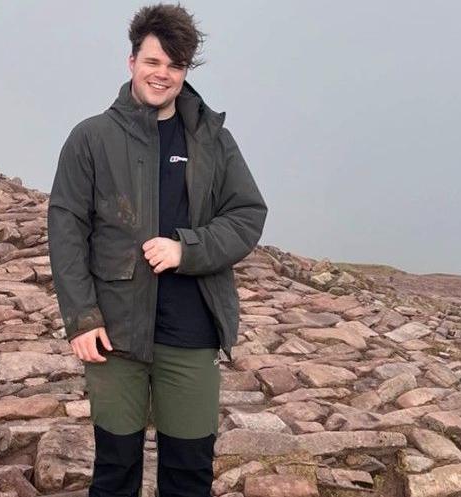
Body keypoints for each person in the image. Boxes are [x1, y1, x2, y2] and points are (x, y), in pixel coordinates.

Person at [47, 3, 268, 496]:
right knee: (114, 472)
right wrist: (82, 319)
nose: (162, 74)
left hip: (192, 332)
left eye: (174, 65)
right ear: (131, 63)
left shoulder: (214, 140)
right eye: (153, 62)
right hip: (115, 335)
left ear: (185, 70)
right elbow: (66, 232)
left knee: (189, 475)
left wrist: (186, 248)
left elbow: (248, 215)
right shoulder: (90, 138)